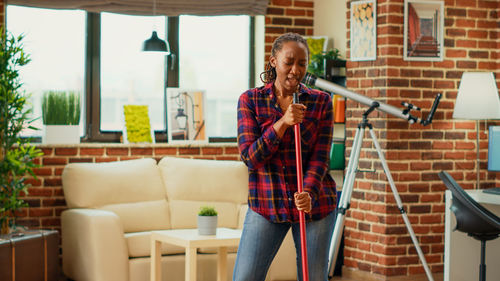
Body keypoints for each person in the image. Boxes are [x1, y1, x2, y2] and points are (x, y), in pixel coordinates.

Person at [233, 32, 337, 281]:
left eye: (301, 63)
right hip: (267, 202)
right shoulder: (250, 101)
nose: (295, 70)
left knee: (313, 278)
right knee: (245, 277)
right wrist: (282, 123)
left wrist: (308, 193)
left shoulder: (321, 102)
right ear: (273, 61)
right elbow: (250, 157)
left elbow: (321, 158)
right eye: (288, 62)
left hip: (314, 205)